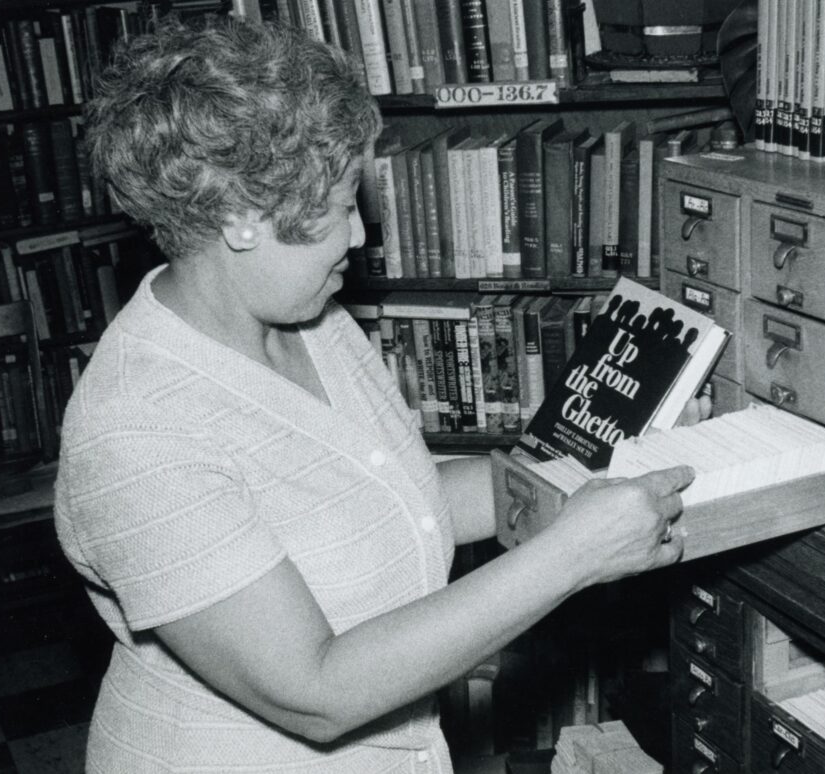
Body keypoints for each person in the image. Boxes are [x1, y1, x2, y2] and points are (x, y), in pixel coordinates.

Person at [53, 14, 695, 773]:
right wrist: (571, 554)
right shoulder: (136, 431)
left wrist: (576, 465)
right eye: (337, 210)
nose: (359, 237)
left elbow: (401, 504)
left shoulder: (309, 321)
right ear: (238, 219)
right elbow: (315, 692)